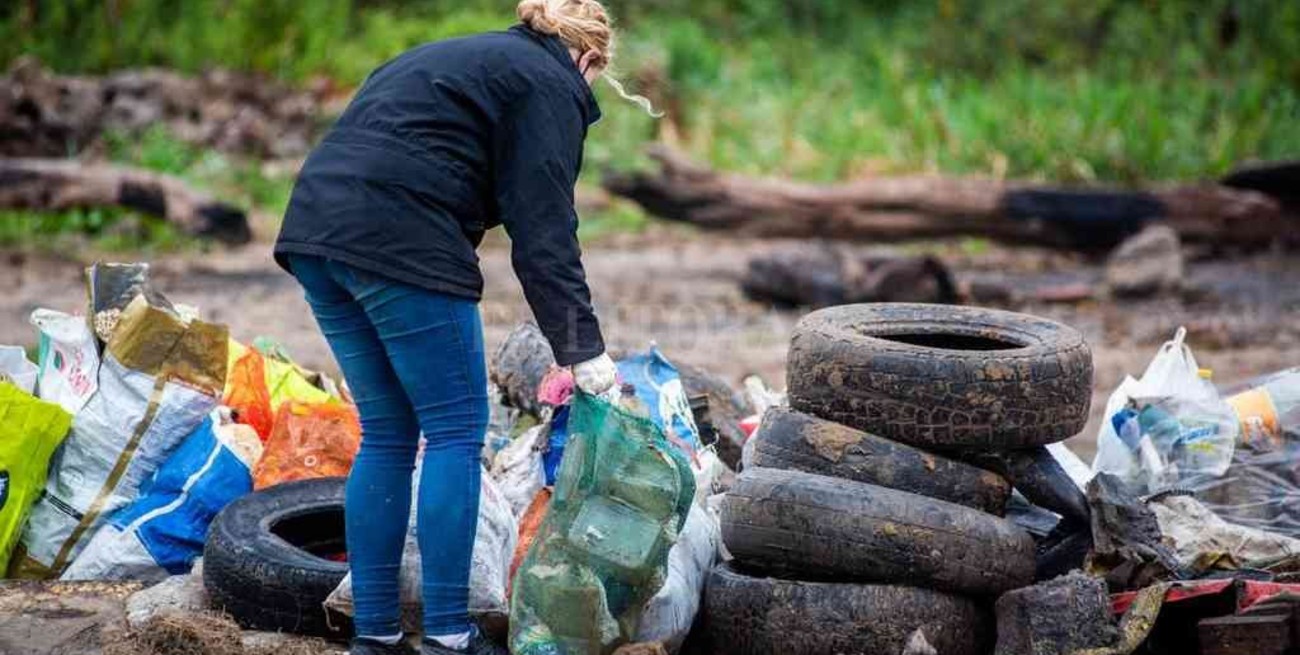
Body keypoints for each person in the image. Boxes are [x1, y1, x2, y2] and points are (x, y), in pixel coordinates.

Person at [273, 1, 650, 653]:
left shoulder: (455, 59)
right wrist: (587, 358)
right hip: (401, 239)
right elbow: (545, 236)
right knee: (454, 428)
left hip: (314, 230)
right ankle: (449, 633)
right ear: (587, 61)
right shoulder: (549, 84)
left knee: (389, 433)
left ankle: (376, 635)